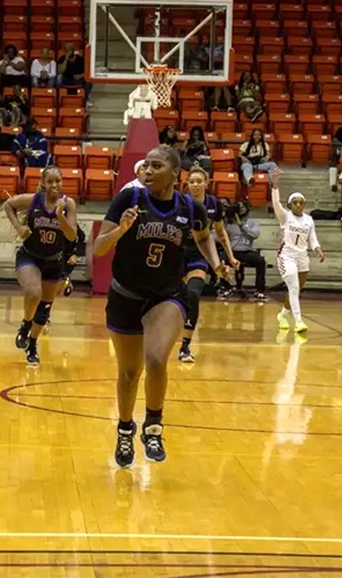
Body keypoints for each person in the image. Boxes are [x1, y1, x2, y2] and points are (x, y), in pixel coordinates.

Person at [94, 145, 230, 468]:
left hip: (166, 296)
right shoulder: (129, 199)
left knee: (156, 358)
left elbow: (204, 235)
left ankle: (153, 426)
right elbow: (99, 249)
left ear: (175, 174)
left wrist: (215, 262)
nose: (149, 170)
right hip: (125, 294)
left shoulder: (189, 206)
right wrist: (120, 231)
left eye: (157, 166)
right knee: (129, 373)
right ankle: (125, 429)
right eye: (146, 166)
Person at [2, 166, 77, 366]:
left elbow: (71, 235)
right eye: (50, 181)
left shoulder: (68, 204)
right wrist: (19, 227)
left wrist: (60, 215)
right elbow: (8, 204)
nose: (54, 185)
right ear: (43, 183)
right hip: (30, 256)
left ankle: (32, 345)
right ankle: (26, 325)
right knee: (34, 293)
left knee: (45, 307)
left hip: (54, 261)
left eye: (58, 181)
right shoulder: (33, 200)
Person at [178, 167, 239, 363]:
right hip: (176, 254)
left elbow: (220, 233)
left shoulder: (214, 204)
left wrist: (230, 257)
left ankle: (185, 347)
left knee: (193, 295)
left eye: (198, 181)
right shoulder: (179, 203)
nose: (194, 185)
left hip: (199, 255)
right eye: (191, 182)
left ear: (207, 182)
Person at [271, 169, 325, 334]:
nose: (299, 205)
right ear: (290, 205)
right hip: (286, 256)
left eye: (301, 202)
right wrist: (275, 184)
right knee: (293, 288)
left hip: (302, 257)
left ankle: (282, 315)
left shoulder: (309, 220)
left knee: (296, 289)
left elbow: (312, 238)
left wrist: (318, 249)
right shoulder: (285, 217)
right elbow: (276, 204)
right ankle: (299, 321)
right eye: (295, 202)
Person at [223, 200, 267, 301]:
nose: (241, 209)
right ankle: (225, 287)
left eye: (243, 207)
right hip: (233, 252)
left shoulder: (251, 223)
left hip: (246, 251)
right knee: (221, 259)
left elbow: (255, 234)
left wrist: (242, 226)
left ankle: (260, 289)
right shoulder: (229, 223)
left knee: (260, 261)